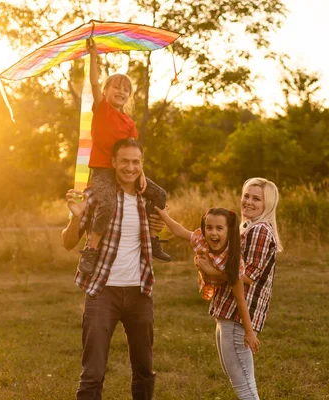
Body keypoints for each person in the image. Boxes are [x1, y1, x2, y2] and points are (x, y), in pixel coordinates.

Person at [62, 138, 166, 400]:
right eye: (124, 161)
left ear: (142, 165)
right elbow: (68, 242)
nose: (130, 167)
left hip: (140, 293)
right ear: (113, 163)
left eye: (135, 162)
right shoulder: (97, 196)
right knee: (93, 373)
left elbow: (155, 235)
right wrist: (75, 217)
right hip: (102, 293)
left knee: (144, 369)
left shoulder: (148, 199)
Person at [79, 38, 171, 276]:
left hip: (127, 169)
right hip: (102, 170)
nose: (121, 91)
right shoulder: (102, 109)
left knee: (159, 194)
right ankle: (90, 250)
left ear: (129, 95)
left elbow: (134, 152)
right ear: (106, 91)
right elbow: (93, 81)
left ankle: (152, 238)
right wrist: (93, 56)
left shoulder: (129, 122)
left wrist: (141, 174)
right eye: (116, 87)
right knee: (108, 204)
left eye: (126, 89)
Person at [196, 177, 283, 400]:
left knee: (244, 386)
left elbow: (247, 277)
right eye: (246, 195)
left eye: (256, 198)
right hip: (227, 311)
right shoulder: (247, 228)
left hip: (238, 315)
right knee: (239, 379)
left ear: (268, 204)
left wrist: (211, 270)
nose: (248, 202)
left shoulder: (260, 231)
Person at [153, 206, 260, 353]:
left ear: (229, 231)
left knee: (240, 280)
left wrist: (249, 332)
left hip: (225, 276)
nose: (213, 233)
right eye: (209, 227)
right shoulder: (201, 240)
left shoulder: (233, 259)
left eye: (219, 228)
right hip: (209, 280)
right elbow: (178, 230)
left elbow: (240, 298)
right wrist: (164, 215)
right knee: (229, 276)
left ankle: (246, 279)